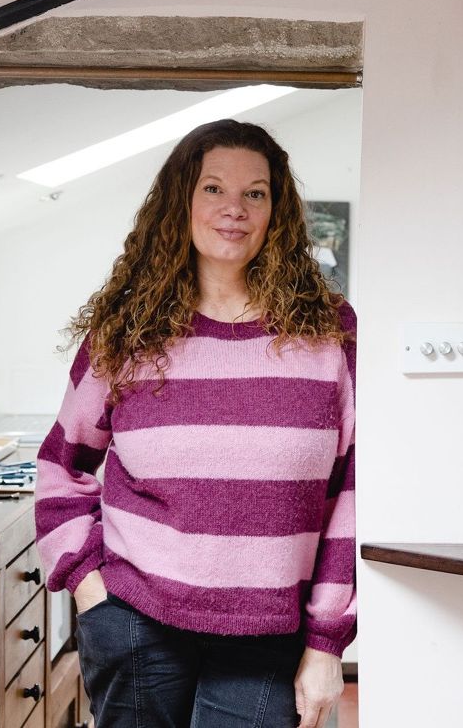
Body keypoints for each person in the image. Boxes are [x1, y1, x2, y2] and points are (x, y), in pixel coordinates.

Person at [33, 119, 356, 728]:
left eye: (255, 192)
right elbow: (62, 466)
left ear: (277, 211)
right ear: (180, 201)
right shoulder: (125, 331)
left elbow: (352, 491)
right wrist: (90, 591)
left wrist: (327, 641)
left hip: (268, 629)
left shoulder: (329, 331)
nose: (235, 208)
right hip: (135, 620)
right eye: (213, 188)